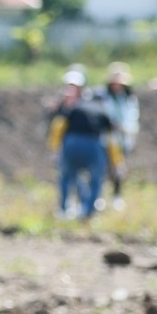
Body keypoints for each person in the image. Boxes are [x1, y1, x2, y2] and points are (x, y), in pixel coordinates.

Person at [50, 68, 113, 221]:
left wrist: (55, 148)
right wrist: (116, 159)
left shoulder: (73, 107)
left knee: (67, 175)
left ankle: (64, 209)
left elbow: (59, 125)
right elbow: (110, 135)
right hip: (93, 143)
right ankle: (88, 211)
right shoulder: (101, 110)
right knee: (95, 179)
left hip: (71, 142)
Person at [104, 62, 140, 199]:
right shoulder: (105, 97)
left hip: (122, 138)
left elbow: (132, 118)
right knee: (104, 166)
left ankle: (116, 195)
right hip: (107, 137)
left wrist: (125, 129)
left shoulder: (129, 99)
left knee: (119, 167)